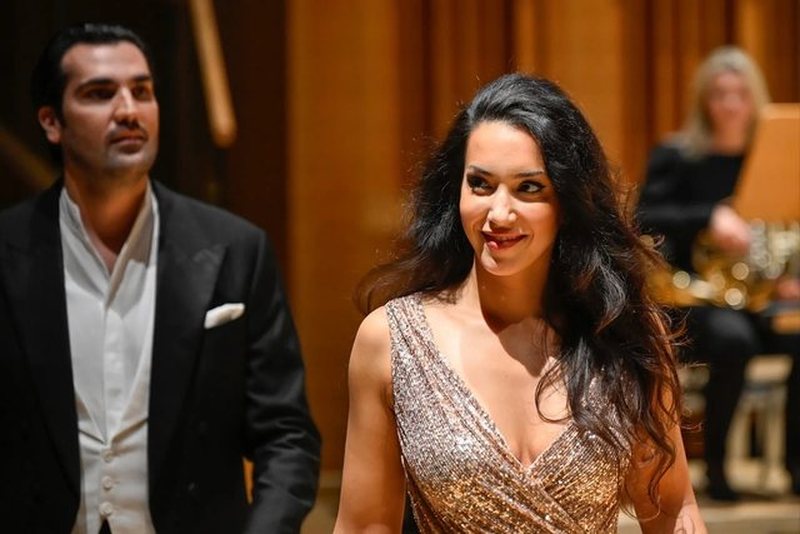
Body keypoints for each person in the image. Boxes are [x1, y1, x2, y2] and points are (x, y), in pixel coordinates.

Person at [333, 73, 705, 533]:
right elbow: (365, 526)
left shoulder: (625, 333)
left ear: (567, 201)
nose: (499, 214)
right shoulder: (390, 340)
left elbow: (672, 507)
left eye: (529, 188)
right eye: (480, 184)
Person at [0, 23, 320, 533]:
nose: (128, 110)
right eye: (100, 93)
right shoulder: (7, 249)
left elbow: (286, 434)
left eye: (142, 91)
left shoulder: (237, 248)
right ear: (51, 122)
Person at [637, 45, 800, 501]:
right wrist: (709, 217)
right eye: (719, 94)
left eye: (741, 94)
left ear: (755, 99)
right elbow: (643, 217)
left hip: (756, 297)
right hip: (692, 300)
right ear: (703, 100)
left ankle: (795, 467)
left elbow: (787, 224)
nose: (730, 104)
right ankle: (718, 469)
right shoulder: (676, 156)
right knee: (734, 340)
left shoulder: (771, 161)